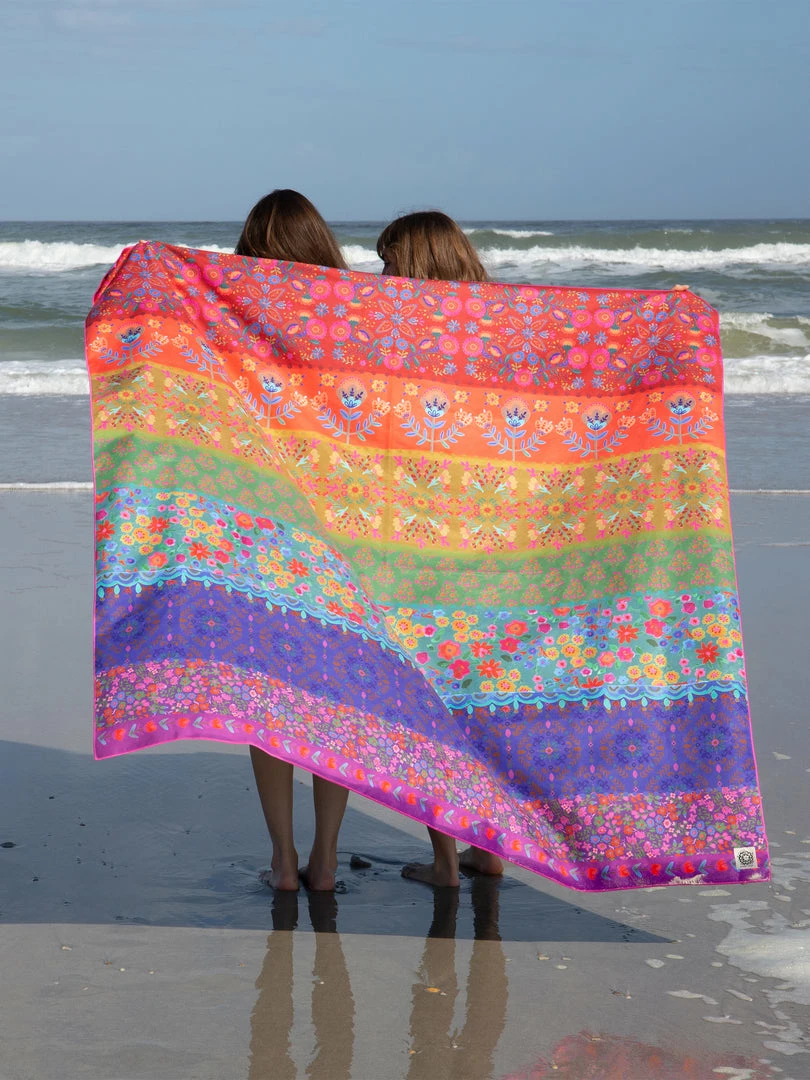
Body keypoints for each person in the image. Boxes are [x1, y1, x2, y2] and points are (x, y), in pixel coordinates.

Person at [376, 210, 505, 887]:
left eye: (387, 260)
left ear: (412, 261)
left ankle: (447, 861)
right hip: (493, 535)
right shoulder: (502, 324)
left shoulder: (397, 330)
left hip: (422, 539)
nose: (380, 274)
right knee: (483, 695)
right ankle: (492, 849)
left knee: (429, 698)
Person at [237, 189, 350, 891]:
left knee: (269, 701)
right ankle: (325, 859)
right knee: (336, 697)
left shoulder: (235, 315)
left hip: (262, 528)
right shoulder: (354, 314)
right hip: (342, 529)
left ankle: (282, 860)